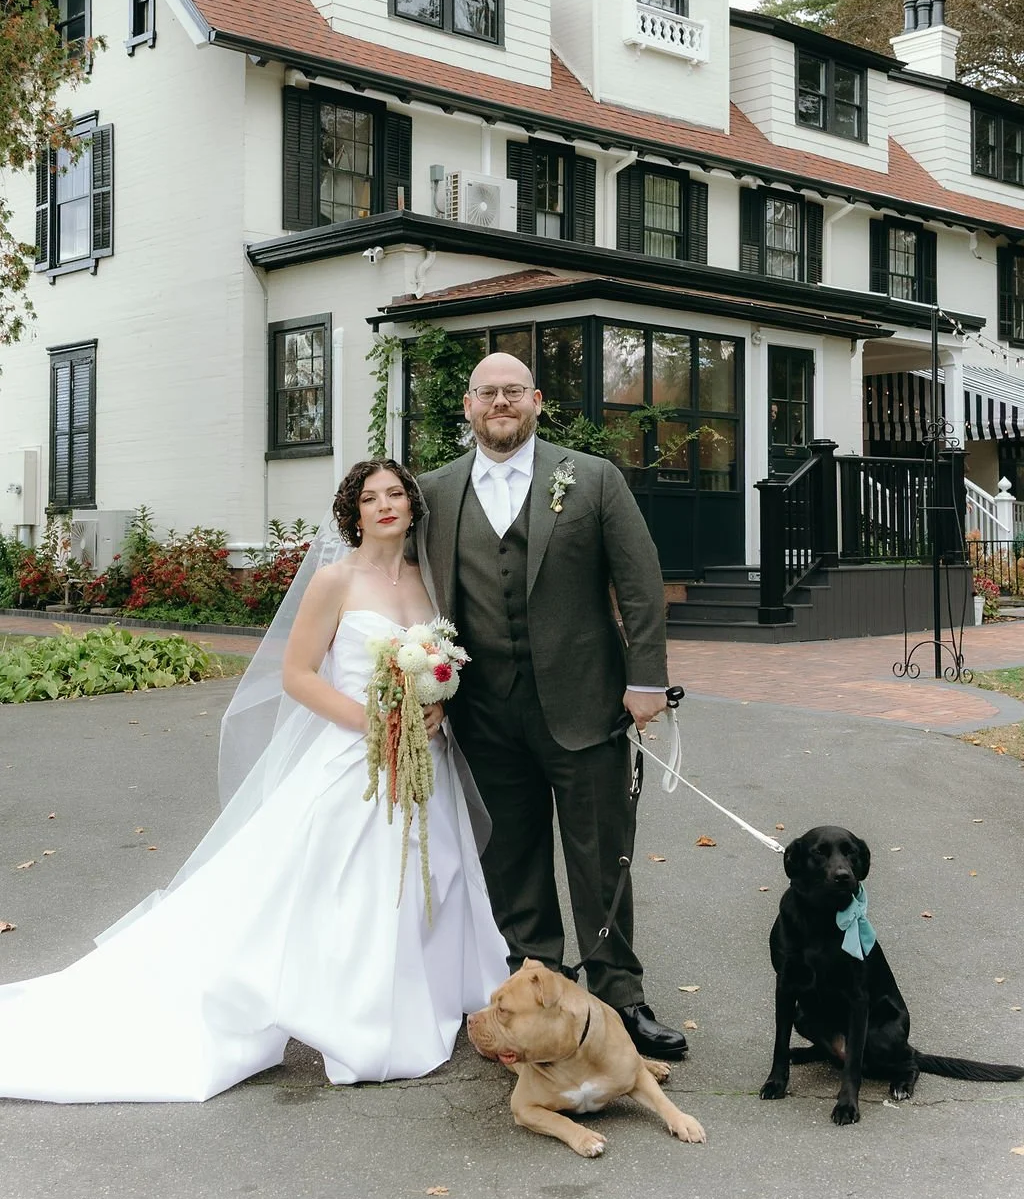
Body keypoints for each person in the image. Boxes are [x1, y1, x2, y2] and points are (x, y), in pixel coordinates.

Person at [0, 460, 507, 1102]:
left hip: (421, 762)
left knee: (428, 872)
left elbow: (440, 665)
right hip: (356, 756)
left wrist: (434, 704)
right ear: (353, 513)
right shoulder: (334, 581)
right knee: (348, 884)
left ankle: (421, 994)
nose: (385, 505)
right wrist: (377, 723)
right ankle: (360, 1017)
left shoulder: (427, 580)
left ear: (412, 507)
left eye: (396, 494)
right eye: (370, 497)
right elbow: (298, 675)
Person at [416, 353, 687, 1060]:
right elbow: (409, 588)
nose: (500, 402)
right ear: (469, 407)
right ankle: (536, 989)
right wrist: (421, 683)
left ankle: (620, 994)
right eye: (486, 393)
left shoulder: (592, 478)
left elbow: (639, 583)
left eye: (513, 392)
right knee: (512, 857)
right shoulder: (436, 492)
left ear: (536, 401)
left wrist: (647, 680)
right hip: (484, 713)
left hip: (587, 704)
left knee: (601, 857)